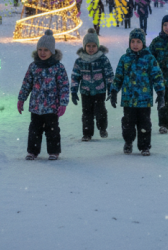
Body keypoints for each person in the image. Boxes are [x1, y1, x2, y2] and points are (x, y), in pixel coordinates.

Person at [110, 28, 165, 156]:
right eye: (133, 41)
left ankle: (144, 146)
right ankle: (128, 142)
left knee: (144, 124)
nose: (135, 44)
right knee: (128, 123)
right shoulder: (124, 59)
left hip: (144, 100)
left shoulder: (150, 59)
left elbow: (157, 76)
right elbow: (118, 77)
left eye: (138, 42)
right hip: (128, 100)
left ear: (143, 43)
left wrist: (160, 93)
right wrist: (114, 91)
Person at [17, 29, 69, 160]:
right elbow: (27, 83)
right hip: (36, 106)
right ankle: (32, 151)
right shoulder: (33, 66)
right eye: (40, 49)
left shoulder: (58, 67)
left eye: (46, 50)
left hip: (52, 106)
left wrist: (63, 103)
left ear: (52, 51)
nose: (42, 53)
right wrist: (21, 99)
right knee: (34, 130)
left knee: (52, 130)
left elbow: (64, 86)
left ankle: (54, 151)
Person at [71, 27, 114, 141]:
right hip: (85, 91)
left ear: (97, 46)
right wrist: (74, 91)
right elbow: (75, 76)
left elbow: (109, 75)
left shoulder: (102, 59)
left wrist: (110, 89)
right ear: (84, 46)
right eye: (88, 46)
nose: (91, 48)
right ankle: (87, 133)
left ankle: (102, 128)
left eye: (94, 46)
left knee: (100, 111)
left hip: (99, 90)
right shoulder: (80, 61)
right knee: (87, 113)